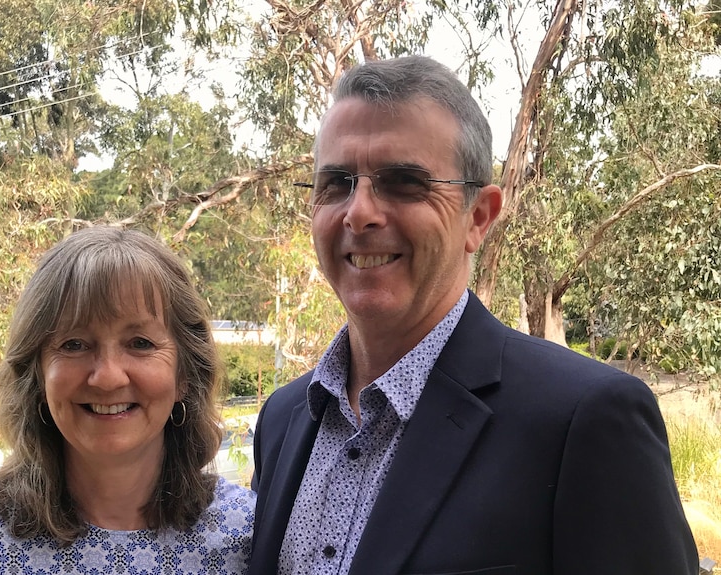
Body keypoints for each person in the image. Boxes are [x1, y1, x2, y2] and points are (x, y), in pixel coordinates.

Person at [250, 55, 697, 575]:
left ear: (478, 218)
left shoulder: (583, 422)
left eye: (403, 183)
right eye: (336, 183)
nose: (360, 212)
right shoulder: (282, 420)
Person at [0, 226, 256, 574]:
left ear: (184, 375)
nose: (107, 377)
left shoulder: (248, 538)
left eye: (140, 343)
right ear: (37, 374)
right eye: (74, 344)